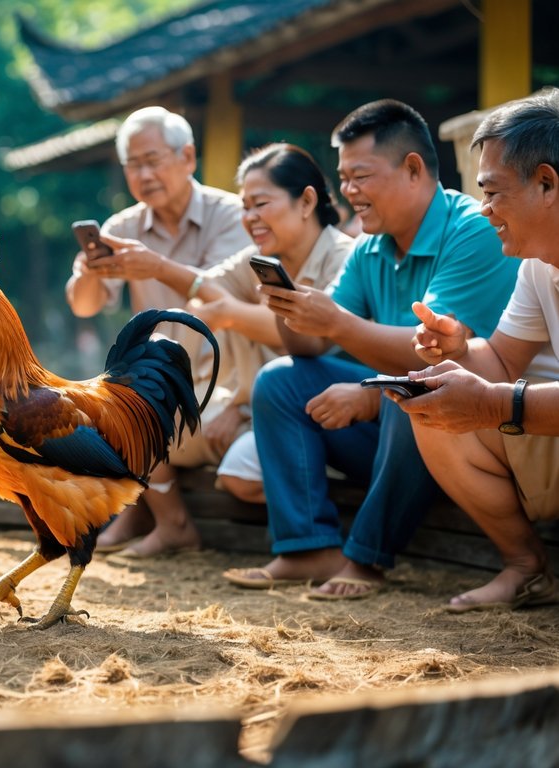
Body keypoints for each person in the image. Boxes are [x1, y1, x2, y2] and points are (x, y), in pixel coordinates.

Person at [223, 100, 520, 599]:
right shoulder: (369, 248)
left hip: (474, 430)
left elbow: (432, 356)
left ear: (412, 169)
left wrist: (347, 348)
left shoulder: (472, 229)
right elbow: (316, 341)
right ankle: (306, 547)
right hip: (388, 436)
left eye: (360, 176)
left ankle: (365, 558)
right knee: (279, 380)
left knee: (418, 391)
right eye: (344, 177)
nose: (348, 192)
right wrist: (287, 304)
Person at [120, 144, 356, 505]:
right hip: (249, 401)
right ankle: (160, 522)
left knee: (237, 470)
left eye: (261, 204)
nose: (250, 217)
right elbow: (205, 292)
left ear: (307, 202)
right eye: (244, 207)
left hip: (332, 410)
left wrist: (230, 313)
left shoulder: (346, 258)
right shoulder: (260, 259)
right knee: (139, 423)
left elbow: (315, 340)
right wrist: (166, 272)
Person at [396, 90, 559, 611]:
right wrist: (459, 349)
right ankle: (528, 569)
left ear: (547, 183)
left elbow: (500, 391)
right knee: (436, 408)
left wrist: (495, 403)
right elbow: (504, 363)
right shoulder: (538, 264)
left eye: (492, 192)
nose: (483, 209)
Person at [66, 106, 252, 558]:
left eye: (153, 160)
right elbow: (83, 304)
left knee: (140, 421)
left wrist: (157, 267)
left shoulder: (235, 215)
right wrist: (93, 270)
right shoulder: (123, 228)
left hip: (225, 380)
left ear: (188, 157)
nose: (143, 174)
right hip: (159, 383)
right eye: (133, 164)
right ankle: (146, 511)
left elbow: (218, 295)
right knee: (102, 411)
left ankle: (170, 523)